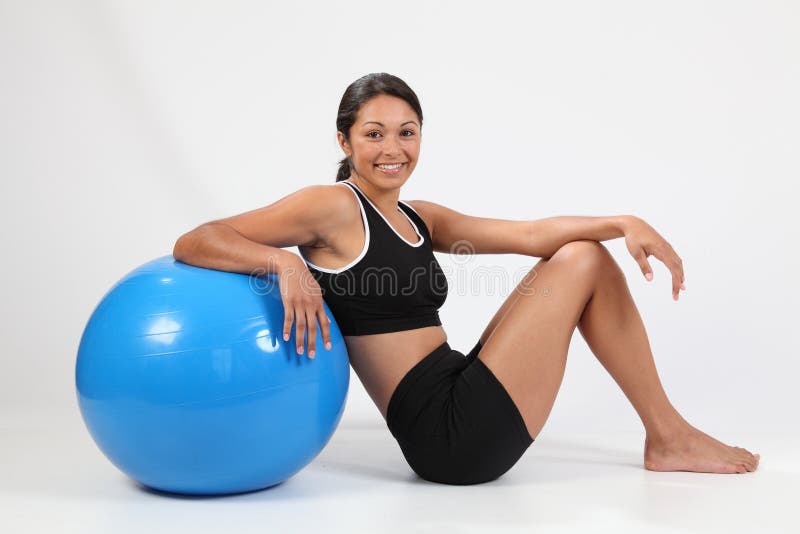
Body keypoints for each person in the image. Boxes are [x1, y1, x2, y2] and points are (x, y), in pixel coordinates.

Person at [173, 72, 760, 485]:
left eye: (407, 131)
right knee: (585, 259)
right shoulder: (328, 206)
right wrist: (282, 263)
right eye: (373, 133)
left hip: (456, 387)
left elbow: (532, 235)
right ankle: (670, 435)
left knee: (582, 253)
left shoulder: (419, 218)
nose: (392, 148)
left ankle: (668, 435)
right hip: (446, 438)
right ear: (344, 141)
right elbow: (196, 238)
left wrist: (622, 220)